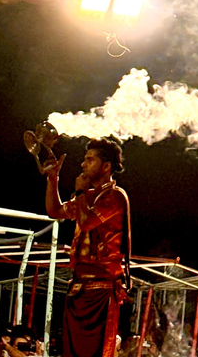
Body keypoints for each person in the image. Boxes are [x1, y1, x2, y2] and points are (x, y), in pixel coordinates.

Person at [44, 137, 131, 357]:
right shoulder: (89, 196)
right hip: (78, 287)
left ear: (107, 166)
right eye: (84, 160)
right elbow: (55, 212)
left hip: (101, 290)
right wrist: (53, 179)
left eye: (90, 160)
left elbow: (86, 222)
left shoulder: (115, 196)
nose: (83, 164)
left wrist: (80, 192)